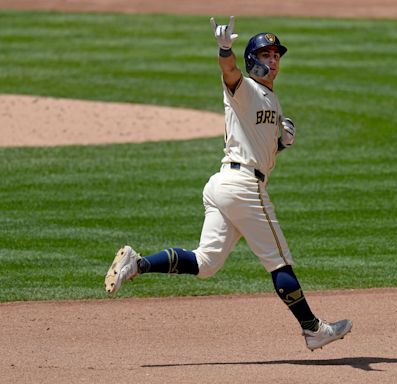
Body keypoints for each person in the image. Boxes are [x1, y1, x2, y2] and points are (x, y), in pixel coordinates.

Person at [105, 16, 352, 351]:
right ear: (253, 60)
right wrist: (225, 50)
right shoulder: (245, 89)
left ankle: (138, 263)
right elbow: (230, 73)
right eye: (265, 54)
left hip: (225, 184)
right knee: (278, 260)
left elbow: (255, 146)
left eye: (276, 54)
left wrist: (281, 144)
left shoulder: (269, 98)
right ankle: (313, 328)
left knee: (205, 264)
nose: (273, 59)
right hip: (243, 187)